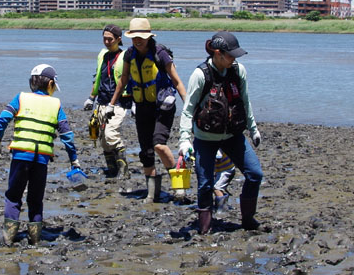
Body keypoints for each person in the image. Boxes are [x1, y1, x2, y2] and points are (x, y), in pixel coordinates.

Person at [178, 31, 263, 234]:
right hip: (205, 138)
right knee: (205, 184)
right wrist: (184, 139)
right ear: (218, 53)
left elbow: (245, 101)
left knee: (255, 174)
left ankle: (248, 219)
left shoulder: (238, 70)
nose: (234, 59)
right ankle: (205, 228)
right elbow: (188, 109)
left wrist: (253, 129)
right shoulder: (200, 75)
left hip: (233, 135)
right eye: (231, 55)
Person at [0, 64, 81, 246]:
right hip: (41, 159)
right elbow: (67, 135)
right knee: (36, 198)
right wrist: (74, 160)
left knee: (13, 196)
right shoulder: (56, 104)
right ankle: (35, 238)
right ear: (51, 84)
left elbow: (3, 118)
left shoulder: (21, 98)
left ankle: (9, 237)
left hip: (21, 156)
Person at [109, 18, 188, 203]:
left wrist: (188, 106)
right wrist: (112, 104)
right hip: (142, 106)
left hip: (163, 107)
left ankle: (179, 187)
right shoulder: (129, 54)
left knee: (159, 144)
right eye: (134, 37)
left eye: (141, 37)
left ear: (149, 36)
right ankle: (152, 193)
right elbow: (124, 79)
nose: (138, 40)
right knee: (146, 151)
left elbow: (176, 81)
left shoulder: (161, 54)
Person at [82, 24, 132, 180]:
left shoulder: (125, 56)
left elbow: (124, 81)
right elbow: (97, 77)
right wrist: (91, 97)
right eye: (104, 38)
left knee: (111, 135)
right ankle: (112, 170)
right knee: (103, 139)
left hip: (119, 102)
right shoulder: (102, 55)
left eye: (110, 39)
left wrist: (115, 103)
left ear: (118, 39)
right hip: (102, 102)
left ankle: (124, 171)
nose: (106, 42)